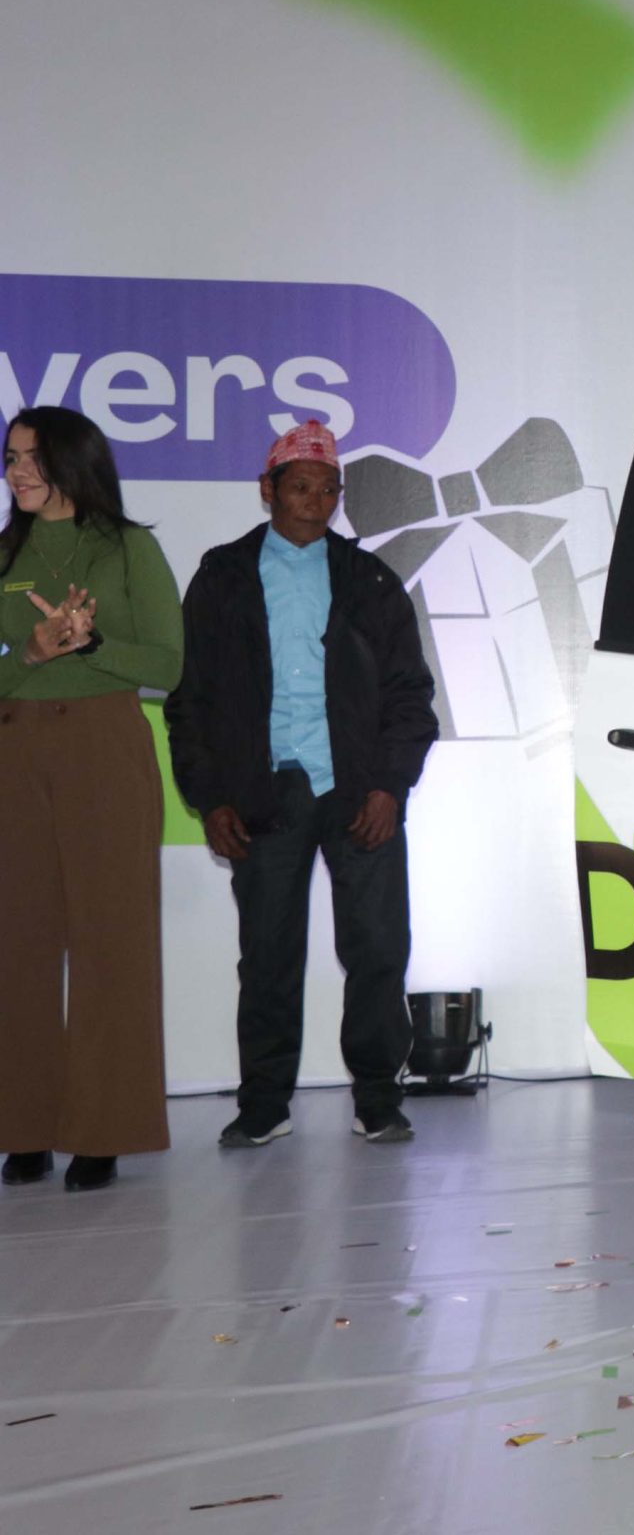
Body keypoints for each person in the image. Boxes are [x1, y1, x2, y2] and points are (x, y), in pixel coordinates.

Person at [164, 423, 439, 1149]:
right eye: (300, 487)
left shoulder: (369, 579)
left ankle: (378, 1097)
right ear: (268, 490)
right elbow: (190, 702)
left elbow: (411, 695)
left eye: (328, 489)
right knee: (268, 955)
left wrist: (389, 787)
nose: (315, 501)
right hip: (265, 794)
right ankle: (264, 1103)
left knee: (378, 947)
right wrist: (211, 797)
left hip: (358, 791)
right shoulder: (223, 576)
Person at [0, 408, 185, 1193]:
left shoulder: (128, 547)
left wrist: (94, 644)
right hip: (16, 751)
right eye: (10, 458)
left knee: (112, 941)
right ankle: (25, 1125)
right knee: (18, 944)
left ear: (73, 461)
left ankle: (103, 1130)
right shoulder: (6, 552)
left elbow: (170, 665)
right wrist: (31, 650)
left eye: (30, 457)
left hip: (105, 749)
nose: (16, 472)